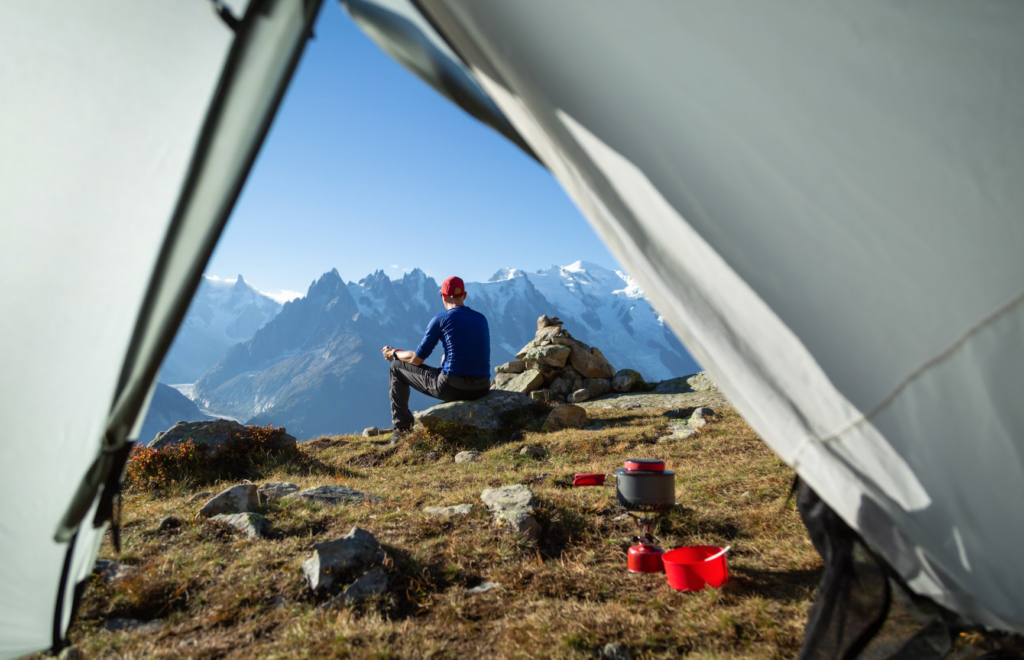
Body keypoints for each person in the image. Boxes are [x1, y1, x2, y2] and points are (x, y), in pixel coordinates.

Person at [382, 275, 491, 438]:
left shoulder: (441, 319)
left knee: (396, 368)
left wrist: (394, 353)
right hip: (482, 388)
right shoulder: (481, 318)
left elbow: (415, 360)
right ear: (465, 295)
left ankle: (401, 431)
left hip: (452, 387)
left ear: (444, 296)